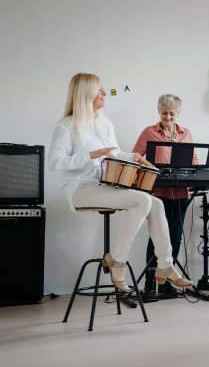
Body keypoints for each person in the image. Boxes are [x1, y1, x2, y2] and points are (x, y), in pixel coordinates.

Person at [48, 73, 193, 293]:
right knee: (143, 199)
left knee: (156, 203)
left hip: (103, 185)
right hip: (79, 188)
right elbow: (54, 163)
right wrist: (90, 155)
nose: (105, 93)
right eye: (100, 89)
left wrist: (134, 157)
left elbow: (114, 154)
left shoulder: (105, 124)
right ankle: (118, 259)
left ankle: (164, 265)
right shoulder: (67, 125)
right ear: (85, 93)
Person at [132, 94, 198, 297]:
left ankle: (167, 281)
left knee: (175, 239)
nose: (168, 117)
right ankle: (150, 282)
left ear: (178, 113)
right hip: (157, 192)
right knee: (157, 238)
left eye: (171, 113)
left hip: (180, 192)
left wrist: (195, 170)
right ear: (158, 112)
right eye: (164, 113)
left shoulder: (186, 133)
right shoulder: (149, 132)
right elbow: (135, 156)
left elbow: (194, 159)